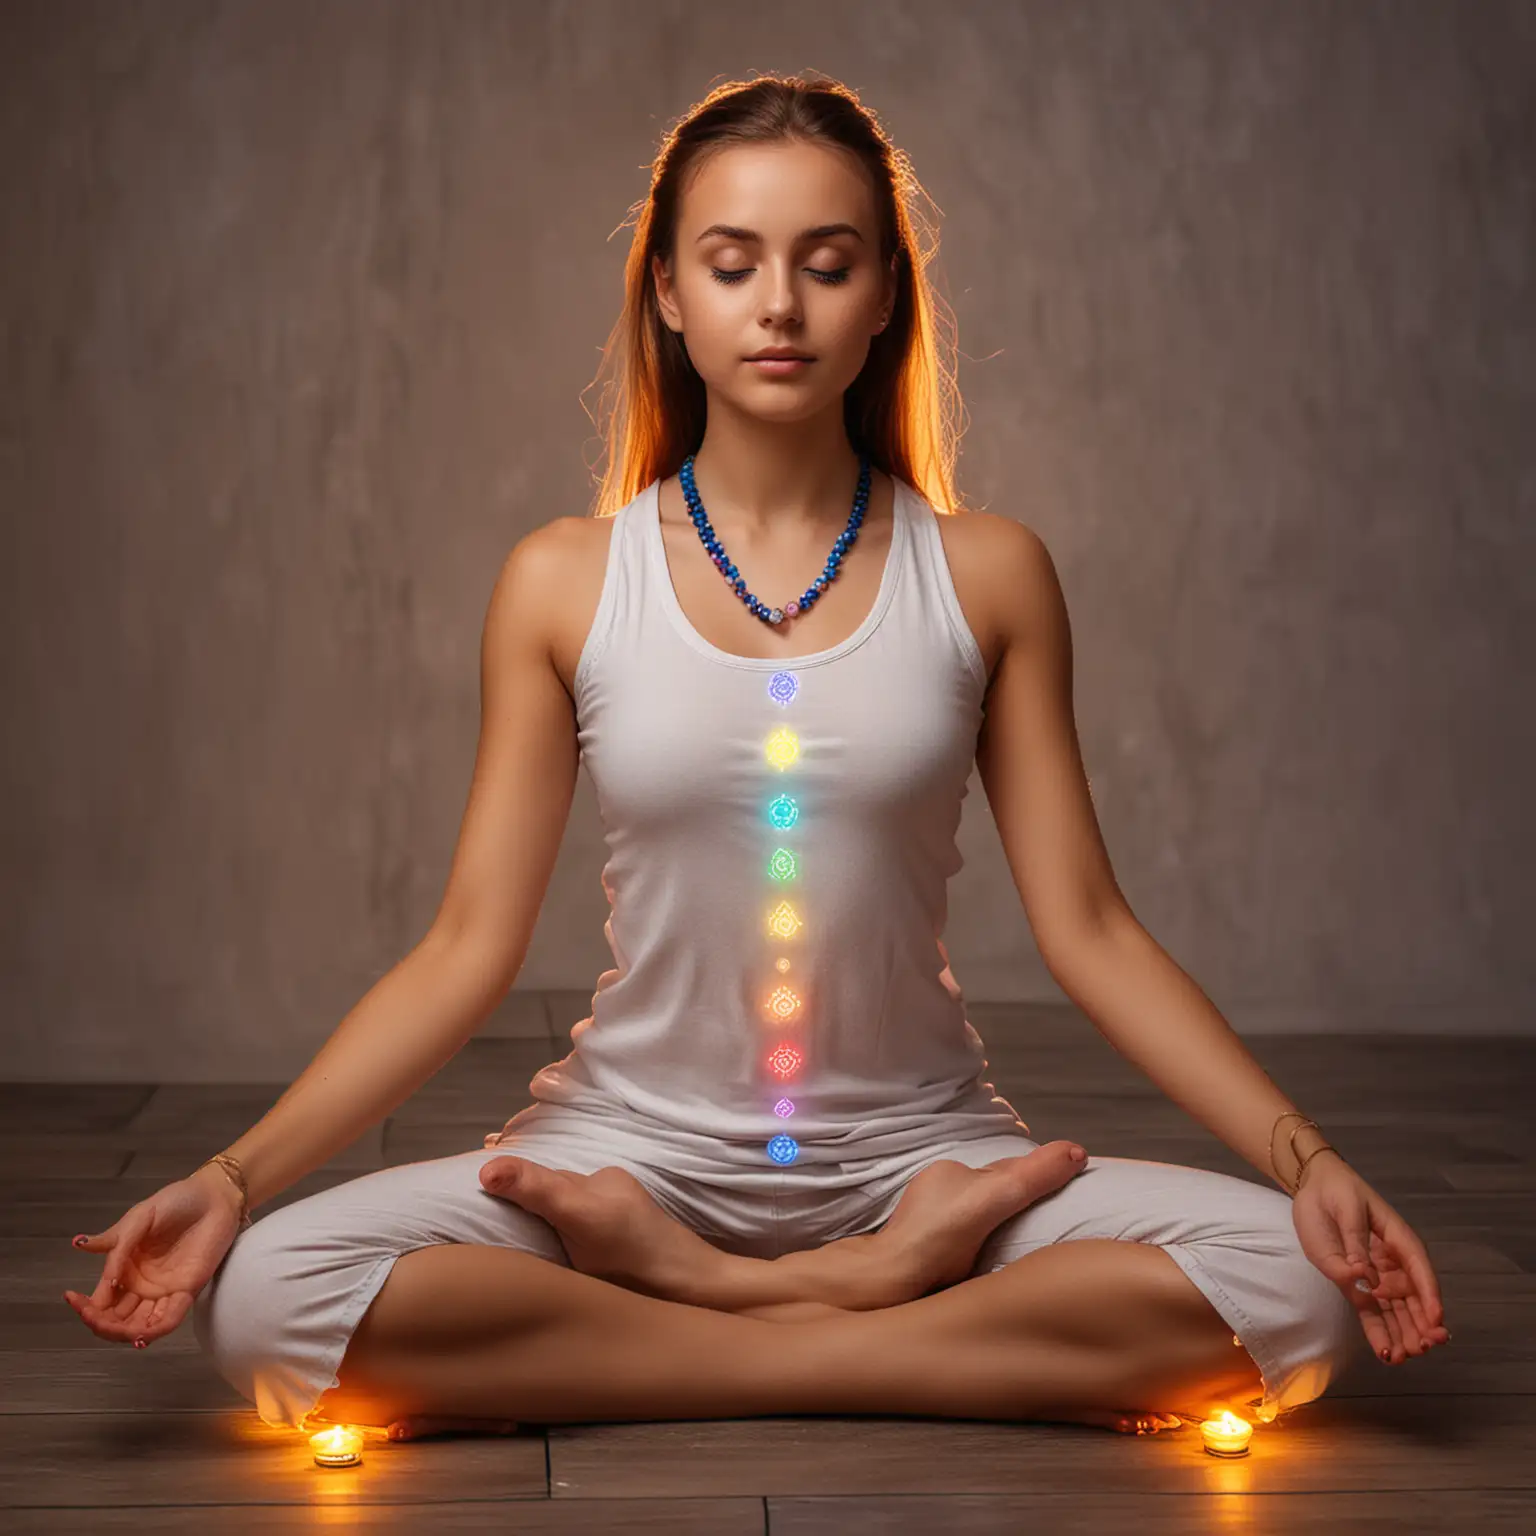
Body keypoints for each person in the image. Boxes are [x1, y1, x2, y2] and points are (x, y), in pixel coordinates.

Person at [63, 72, 1449, 1445]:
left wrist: (1308, 1160)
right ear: (668, 293)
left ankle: (713, 1318)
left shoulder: (990, 574)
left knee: (1297, 1285)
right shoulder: (563, 581)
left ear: (887, 293)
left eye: (826, 264)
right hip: (621, 1166)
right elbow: (464, 950)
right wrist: (235, 1182)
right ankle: (853, 1325)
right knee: (270, 1297)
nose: (779, 305)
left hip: (929, 1171)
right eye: (733, 265)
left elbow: (1090, 930)